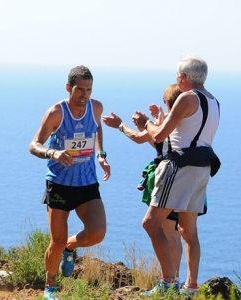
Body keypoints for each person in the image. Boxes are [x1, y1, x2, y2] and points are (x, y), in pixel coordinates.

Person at [132, 56, 220, 296]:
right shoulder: (213, 101)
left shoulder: (187, 98)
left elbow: (159, 135)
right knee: (188, 230)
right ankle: (191, 286)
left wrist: (145, 123)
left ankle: (168, 283)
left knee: (150, 223)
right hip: (203, 168)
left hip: (179, 167)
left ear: (183, 78)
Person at [28, 66, 110, 299]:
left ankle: (70, 248)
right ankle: (50, 285)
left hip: (87, 183)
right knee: (56, 240)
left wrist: (101, 154)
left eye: (89, 90)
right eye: (80, 90)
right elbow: (34, 144)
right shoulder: (56, 112)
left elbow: (97, 130)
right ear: (68, 88)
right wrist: (52, 153)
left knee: (97, 232)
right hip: (60, 183)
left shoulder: (96, 108)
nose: (85, 95)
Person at [103, 84, 187, 286]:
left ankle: (168, 281)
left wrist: (120, 125)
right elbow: (161, 145)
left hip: (169, 179)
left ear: (169, 103)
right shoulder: (186, 124)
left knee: (157, 226)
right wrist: (150, 123)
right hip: (187, 178)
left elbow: (139, 139)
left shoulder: (167, 122)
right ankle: (176, 280)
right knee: (174, 233)